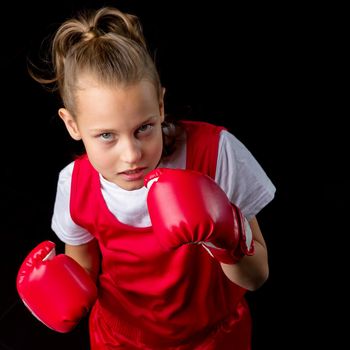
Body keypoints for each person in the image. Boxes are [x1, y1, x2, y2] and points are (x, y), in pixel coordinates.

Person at [16, 6, 276, 349]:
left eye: (144, 128)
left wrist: (225, 234)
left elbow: (257, 277)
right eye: (106, 135)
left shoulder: (215, 154)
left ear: (161, 105)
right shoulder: (75, 184)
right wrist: (57, 292)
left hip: (214, 338)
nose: (132, 154)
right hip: (120, 340)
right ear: (72, 125)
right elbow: (83, 272)